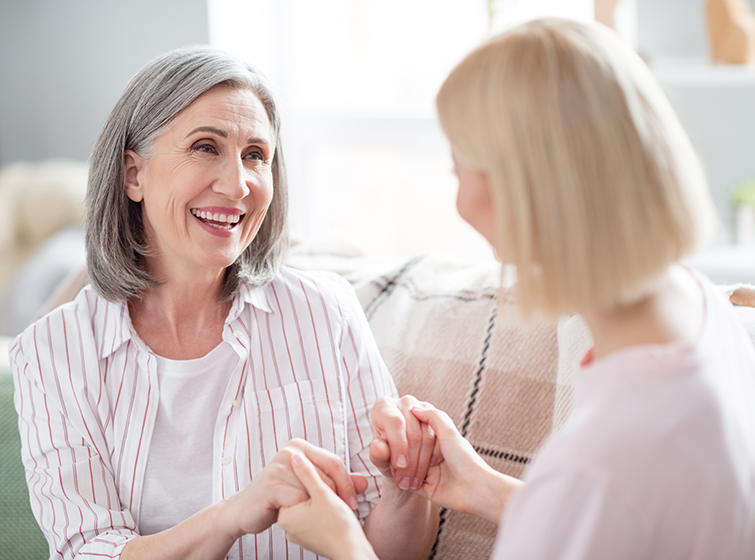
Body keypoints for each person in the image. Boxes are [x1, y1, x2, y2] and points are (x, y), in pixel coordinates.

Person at [277, 18, 755, 560]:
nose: (459, 203)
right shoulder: (698, 309)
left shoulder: (597, 462)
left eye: (458, 169)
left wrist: (343, 544)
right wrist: (484, 487)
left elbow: (600, 495)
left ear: (520, 189)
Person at [9, 46, 437, 560]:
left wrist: (407, 485)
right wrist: (233, 514)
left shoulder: (326, 311)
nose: (238, 185)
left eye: (255, 155)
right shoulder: (52, 351)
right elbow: (86, 549)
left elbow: (381, 550)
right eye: (206, 147)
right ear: (132, 175)